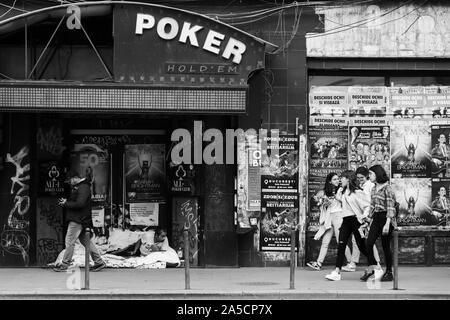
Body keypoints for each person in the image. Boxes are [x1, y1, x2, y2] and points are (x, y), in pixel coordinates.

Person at [53, 170, 106, 272]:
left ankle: (64, 264)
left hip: (77, 219)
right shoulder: (82, 186)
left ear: (75, 178)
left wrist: (66, 203)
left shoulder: (83, 187)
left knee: (69, 241)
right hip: (81, 218)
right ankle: (99, 262)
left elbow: (80, 203)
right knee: (85, 241)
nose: (69, 183)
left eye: (70, 181)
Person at [325, 170, 371, 281]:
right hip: (345, 221)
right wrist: (340, 189)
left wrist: (364, 217)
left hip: (355, 220)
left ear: (348, 179)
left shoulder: (357, 192)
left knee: (362, 246)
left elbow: (367, 205)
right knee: (341, 245)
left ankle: (376, 265)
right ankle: (337, 271)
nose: (341, 180)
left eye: (343, 178)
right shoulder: (343, 191)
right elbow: (338, 198)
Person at [306, 173, 353, 271]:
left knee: (340, 240)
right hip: (328, 217)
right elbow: (317, 201)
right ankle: (319, 263)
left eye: (338, 179)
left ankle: (350, 262)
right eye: (334, 179)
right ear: (329, 181)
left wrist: (335, 198)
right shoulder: (325, 192)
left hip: (338, 216)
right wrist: (321, 201)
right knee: (325, 241)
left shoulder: (341, 190)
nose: (337, 181)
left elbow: (345, 202)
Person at [341, 167, 381, 272]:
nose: (360, 179)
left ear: (367, 176)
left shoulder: (371, 186)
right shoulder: (359, 186)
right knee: (360, 240)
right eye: (358, 178)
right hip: (361, 217)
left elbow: (369, 203)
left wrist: (366, 217)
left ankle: (375, 263)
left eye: (362, 177)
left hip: (368, 216)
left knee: (367, 241)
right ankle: (361, 263)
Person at [362, 165, 397, 282]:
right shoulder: (374, 188)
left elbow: (391, 207)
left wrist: (387, 224)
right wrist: (367, 220)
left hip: (386, 218)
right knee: (368, 243)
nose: (369, 176)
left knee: (386, 246)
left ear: (377, 174)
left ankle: (389, 272)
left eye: (371, 174)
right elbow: (372, 206)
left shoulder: (388, 188)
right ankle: (373, 269)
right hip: (376, 218)